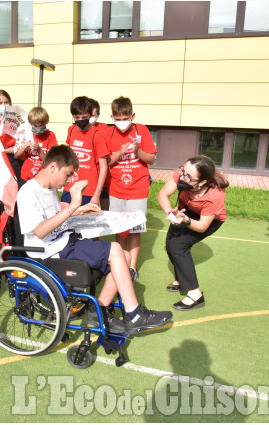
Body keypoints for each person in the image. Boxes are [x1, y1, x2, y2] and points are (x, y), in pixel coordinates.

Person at [17, 144, 172, 333]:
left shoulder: (48, 188)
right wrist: (73, 206)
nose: (68, 180)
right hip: (50, 252)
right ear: (53, 167)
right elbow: (40, 231)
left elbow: (56, 217)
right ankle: (134, 314)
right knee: (115, 249)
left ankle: (98, 311)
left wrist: (79, 210)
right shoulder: (27, 193)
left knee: (125, 256)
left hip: (64, 242)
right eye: (67, 174)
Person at [157, 155, 229, 311]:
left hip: (208, 220)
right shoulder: (181, 174)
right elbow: (163, 194)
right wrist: (171, 214)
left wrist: (185, 221)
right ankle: (181, 281)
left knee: (178, 245)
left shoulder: (214, 194)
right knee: (170, 243)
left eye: (188, 176)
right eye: (183, 170)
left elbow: (203, 226)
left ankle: (196, 296)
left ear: (202, 182)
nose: (182, 176)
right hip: (185, 210)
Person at [106, 96, 157, 283]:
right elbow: (106, 162)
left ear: (132, 115)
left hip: (138, 188)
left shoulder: (141, 130)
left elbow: (151, 159)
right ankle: (120, 262)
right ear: (112, 117)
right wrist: (119, 153)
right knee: (120, 230)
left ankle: (132, 267)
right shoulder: (108, 134)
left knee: (134, 230)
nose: (121, 123)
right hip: (116, 188)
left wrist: (137, 151)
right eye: (117, 119)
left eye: (125, 118)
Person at [61, 96, 109, 208]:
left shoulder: (97, 135)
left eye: (84, 117)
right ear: (73, 116)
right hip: (70, 186)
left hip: (89, 190)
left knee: (84, 223)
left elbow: (104, 167)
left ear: (90, 115)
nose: (80, 120)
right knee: (65, 221)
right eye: (77, 117)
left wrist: (97, 195)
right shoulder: (71, 130)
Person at [14, 106, 57, 184]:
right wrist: (24, 148)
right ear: (30, 123)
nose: (39, 128)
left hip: (43, 178)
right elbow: (16, 156)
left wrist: (39, 150)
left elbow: (50, 161)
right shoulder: (25, 134)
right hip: (26, 176)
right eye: (36, 126)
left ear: (46, 122)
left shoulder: (50, 136)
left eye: (42, 125)